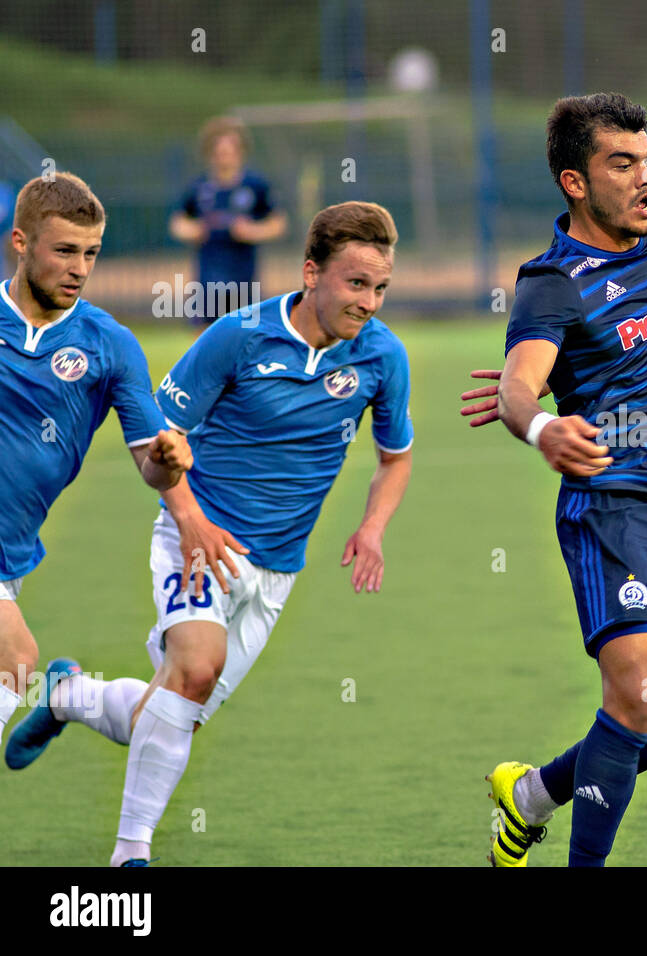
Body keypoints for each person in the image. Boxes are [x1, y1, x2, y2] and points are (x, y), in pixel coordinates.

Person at [10, 201, 414, 867]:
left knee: (166, 711)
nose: (368, 302)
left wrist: (372, 528)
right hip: (198, 539)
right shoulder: (238, 336)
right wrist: (184, 506)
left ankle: (69, 695)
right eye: (355, 284)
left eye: (380, 288)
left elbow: (394, 458)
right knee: (195, 669)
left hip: (278, 569)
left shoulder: (382, 357)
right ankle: (130, 855)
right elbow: (157, 440)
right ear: (311, 273)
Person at [461, 93, 647, 867]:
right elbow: (520, 386)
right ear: (574, 182)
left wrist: (565, 382)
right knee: (640, 696)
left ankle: (532, 795)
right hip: (613, 511)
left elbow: (612, 351)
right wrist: (541, 422)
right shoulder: (551, 280)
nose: (645, 178)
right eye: (622, 164)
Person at [0, 172, 191, 753]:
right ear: (21, 242)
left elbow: (150, 466)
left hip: (13, 553)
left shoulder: (109, 345)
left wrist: (169, 461)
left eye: (91, 253)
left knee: (156, 722)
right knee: (14, 659)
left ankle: (69, 698)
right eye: (64, 251)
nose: (80, 268)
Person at [168, 116, 287, 328]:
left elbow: (278, 223)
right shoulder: (199, 187)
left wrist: (251, 231)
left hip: (243, 275)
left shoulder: (255, 186)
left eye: (230, 151)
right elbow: (178, 223)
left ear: (240, 152)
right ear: (210, 154)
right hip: (208, 274)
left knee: (244, 330)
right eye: (219, 152)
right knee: (204, 333)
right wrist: (194, 231)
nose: (225, 157)